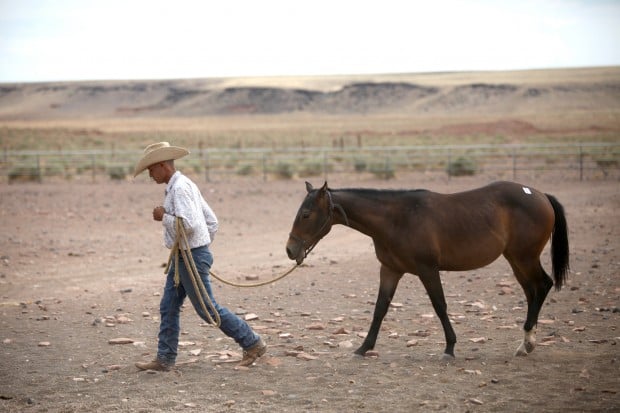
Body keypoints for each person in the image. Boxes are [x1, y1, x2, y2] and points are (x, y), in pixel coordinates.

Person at [133, 142, 266, 371]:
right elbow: (211, 222)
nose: (150, 175)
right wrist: (200, 247)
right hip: (185, 255)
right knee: (169, 306)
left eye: (151, 170)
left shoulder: (180, 189)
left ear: (162, 165)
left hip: (190, 256)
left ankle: (252, 342)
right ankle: (164, 359)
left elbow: (190, 225)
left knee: (207, 309)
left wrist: (164, 218)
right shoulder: (185, 185)